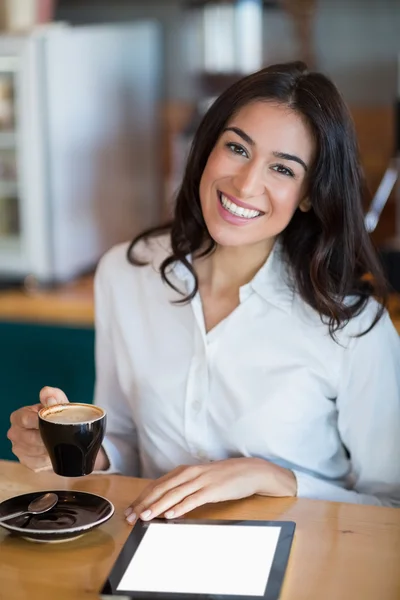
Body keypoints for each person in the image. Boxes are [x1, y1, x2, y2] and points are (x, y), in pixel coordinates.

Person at [8, 62, 400, 520]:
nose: (247, 184)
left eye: (282, 168)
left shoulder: (353, 326)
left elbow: (390, 503)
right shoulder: (125, 274)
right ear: (207, 147)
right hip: (153, 552)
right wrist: (67, 448)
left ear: (310, 194)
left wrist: (271, 478)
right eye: (237, 148)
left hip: (300, 569)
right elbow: (127, 443)